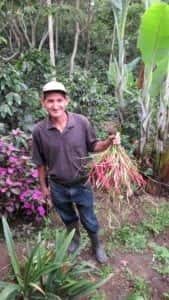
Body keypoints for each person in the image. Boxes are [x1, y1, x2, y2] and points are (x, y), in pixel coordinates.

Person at [32, 81, 120, 264]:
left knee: (88, 218)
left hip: (81, 183)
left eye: (59, 100)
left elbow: (94, 145)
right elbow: (40, 163)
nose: (55, 105)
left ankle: (97, 245)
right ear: (43, 103)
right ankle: (75, 241)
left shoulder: (81, 122)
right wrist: (43, 187)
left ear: (67, 101)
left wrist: (108, 142)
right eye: (50, 101)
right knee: (68, 217)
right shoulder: (39, 131)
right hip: (58, 186)